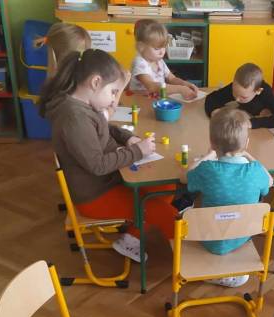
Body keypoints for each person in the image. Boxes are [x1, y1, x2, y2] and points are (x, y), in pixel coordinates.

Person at [40, 49, 174, 262]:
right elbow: (98, 165)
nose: (113, 99)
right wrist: (138, 151)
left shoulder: (82, 104)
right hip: (96, 195)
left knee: (165, 186)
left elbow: (104, 127)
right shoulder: (74, 117)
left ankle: (131, 239)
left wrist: (127, 138)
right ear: (95, 82)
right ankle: (193, 264)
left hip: (109, 180)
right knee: (167, 215)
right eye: (113, 91)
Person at [181, 105, 273, 288]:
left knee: (185, 208)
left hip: (208, 238)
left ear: (212, 142)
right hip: (242, 235)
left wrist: (206, 156)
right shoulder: (255, 170)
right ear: (246, 143)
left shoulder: (207, 169)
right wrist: (249, 156)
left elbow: (184, 177)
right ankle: (226, 272)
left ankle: (211, 271)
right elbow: (269, 182)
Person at [203, 63, 274, 129]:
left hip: (269, 135)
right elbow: (212, 98)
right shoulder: (238, 88)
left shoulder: (266, 94)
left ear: (258, 91)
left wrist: (252, 123)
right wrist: (214, 111)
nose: (237, 99)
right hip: (247, 130)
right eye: (234, 93)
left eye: (243, 97)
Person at [129, 19, 198, 100]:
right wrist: (180, 89)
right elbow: (152, 86)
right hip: (139, 102)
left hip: (154, 100)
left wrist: (184, 84)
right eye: (157, 48)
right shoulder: (140, 63)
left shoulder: (158, 61)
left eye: (163, 47)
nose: (162, 52)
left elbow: (171, 78)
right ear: (141, 47)